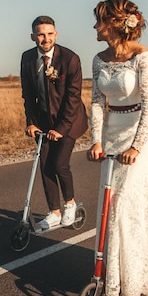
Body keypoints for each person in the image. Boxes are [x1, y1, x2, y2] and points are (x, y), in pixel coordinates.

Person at [87, 0, 148, 296]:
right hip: (113, 131)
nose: (95, 26)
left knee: (126, 202)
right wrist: (96, 140)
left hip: (142, 131)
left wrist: (137, 147)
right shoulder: (99, 59)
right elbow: (98, 102)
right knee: (109, 204)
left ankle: (141, 269)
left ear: (115, 22)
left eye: (99, 20)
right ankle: (113, 275)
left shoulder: (142, 56)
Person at [21, 15, 88, 231]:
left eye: (50, 34)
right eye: (40, 34)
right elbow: (28, 94)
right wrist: (31, 122)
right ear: (33, 36)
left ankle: (70, 203)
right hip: (43, 121)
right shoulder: (28, 58)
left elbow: (73, 98)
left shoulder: (70, 59)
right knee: (45, 165)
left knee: (59, 164)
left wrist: (61, 129)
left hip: (69, 120)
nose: (45, 38)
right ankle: (54, 212)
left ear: (56, 34)